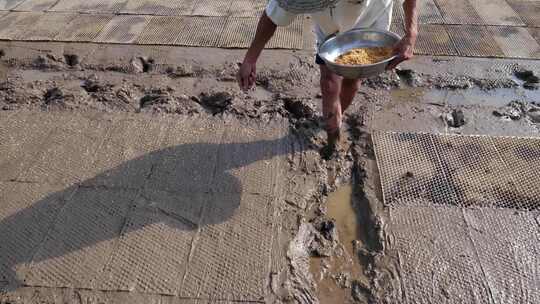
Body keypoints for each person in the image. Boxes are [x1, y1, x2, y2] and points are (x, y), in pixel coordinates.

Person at [237, 0, 418, 154]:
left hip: (371, 21)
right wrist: (250, 59)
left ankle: (337, 118)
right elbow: (271, 17)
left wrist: (411, 33)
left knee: (352, 80)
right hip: (329, 26)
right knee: (329, 84)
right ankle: (332, 133)